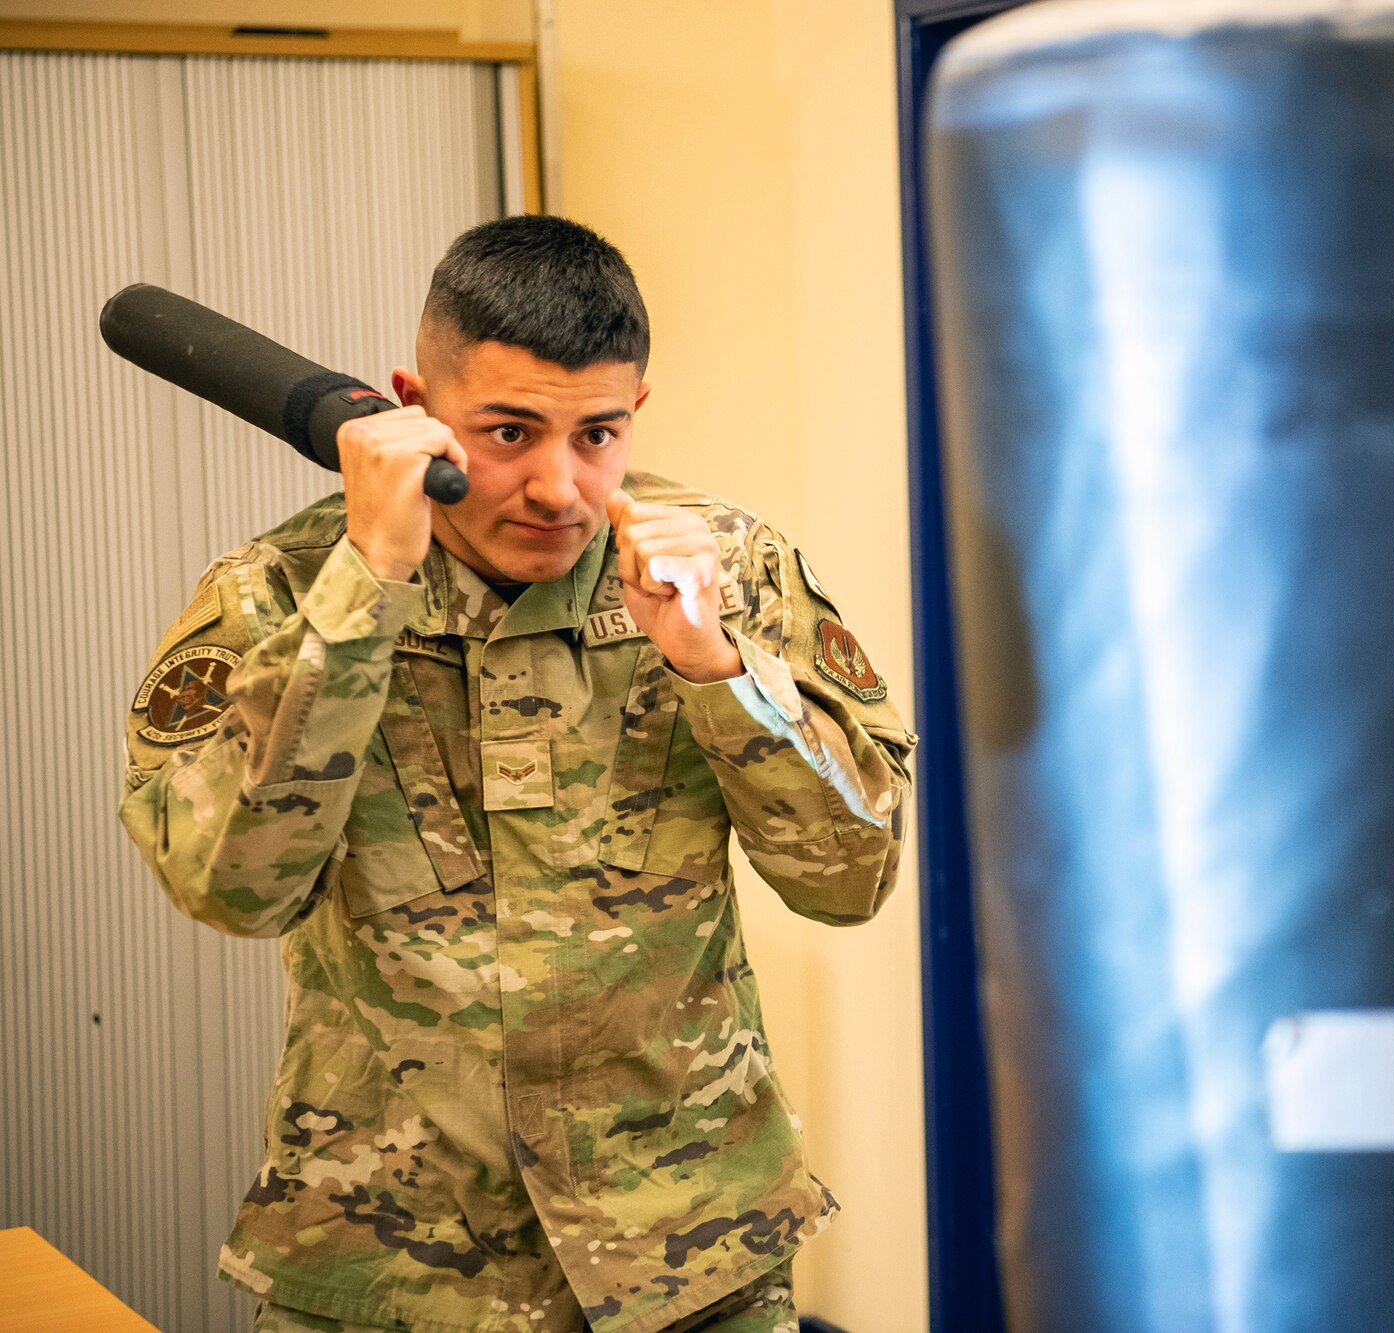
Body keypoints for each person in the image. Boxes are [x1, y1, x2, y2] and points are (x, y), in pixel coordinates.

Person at [118, 215, 915, 1333]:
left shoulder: (731, 572)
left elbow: (852, 877)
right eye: (507, 432)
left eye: (597, 435)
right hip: (392, 1271)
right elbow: (230, 886)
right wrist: (365, 592)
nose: (558, 488)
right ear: (412, 406)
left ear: (636, 411)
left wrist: (715, 667)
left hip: (689, 1257)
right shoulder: (278, 594)